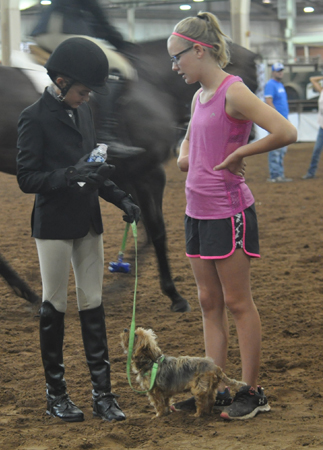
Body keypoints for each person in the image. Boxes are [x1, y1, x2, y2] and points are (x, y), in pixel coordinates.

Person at [167, 12, 297, 420]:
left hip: (228, 210)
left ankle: (253, 392)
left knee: (238, 303)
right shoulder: (198, 95)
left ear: (199, 50)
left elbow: (285, 132)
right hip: (196, 211)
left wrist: (241, 153)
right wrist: (185, 156)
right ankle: (217, 389)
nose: (175, 66)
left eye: (178, 58)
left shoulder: (232, 91)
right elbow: (188, 139)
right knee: (208, 302)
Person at [16, 37, 141, 423]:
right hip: (52, 224)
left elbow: (95, 168)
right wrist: (69, 175)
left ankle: (103, 394)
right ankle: (57, 395)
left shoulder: (84, 114)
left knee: (94, 305)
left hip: (88, 220)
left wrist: (121, 198)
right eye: (83, 91)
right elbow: (27, 178)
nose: (87, 98)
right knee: (54, 306)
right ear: (62, 80)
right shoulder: (33, 117)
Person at [30, 0, 141, 157]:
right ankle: (105, 134)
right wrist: (120, 44)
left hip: (50, 30)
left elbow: (94, 22)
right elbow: (98, 17)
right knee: (119, 68)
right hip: (63, 30)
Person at [264, 62, 293, 182]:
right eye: (278, 70)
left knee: (281, 149)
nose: (281, 72)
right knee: (276, 148)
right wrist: (277, 118)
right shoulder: (271, 84)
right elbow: (268, 101)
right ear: (273, 72)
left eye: (281, 70)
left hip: (283, 120)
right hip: (278, 121)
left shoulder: (279, 85)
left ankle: (279, 174)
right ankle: (275, 175)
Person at [302, 74, 323, 179]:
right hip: (322, 127)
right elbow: (312, 79)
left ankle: (311, 173)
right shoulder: (322, 91)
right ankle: (311, 173)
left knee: (317, 151)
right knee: (316, 151)